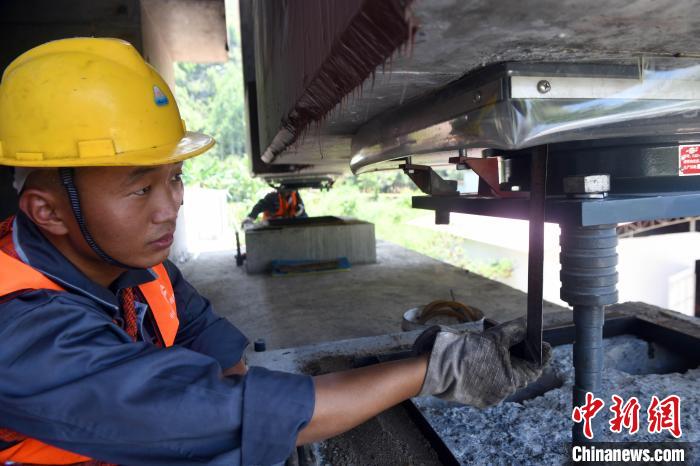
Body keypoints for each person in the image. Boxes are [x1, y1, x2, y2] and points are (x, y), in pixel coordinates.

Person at [0, 38, 550, 466]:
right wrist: (430, 369)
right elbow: (218, 415)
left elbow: (217, 356)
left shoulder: (140, 272)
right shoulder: (18, 331)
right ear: (47, 211)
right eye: (141, 189)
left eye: (175, 178)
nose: (170, 206)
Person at [242, 188, 307, 228]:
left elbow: (302, 210)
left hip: (289, 225)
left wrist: (300, 212)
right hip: (272, 227)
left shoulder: (295, 195)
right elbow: (260, 206)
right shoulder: (273, 197)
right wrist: (251, 217)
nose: (288, 192)